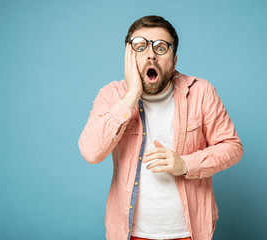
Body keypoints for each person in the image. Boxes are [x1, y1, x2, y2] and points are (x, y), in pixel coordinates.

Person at [78, 15, 243, 240]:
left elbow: (232, 147)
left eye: (161, 47)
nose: (151, 54)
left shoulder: (201, 92)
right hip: (130, 234)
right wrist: (131, 96)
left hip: (190, 233)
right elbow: (91, 152)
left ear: (174, 60)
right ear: (129, 56)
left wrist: (185, 164)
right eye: (140, 46)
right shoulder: (111, 95)